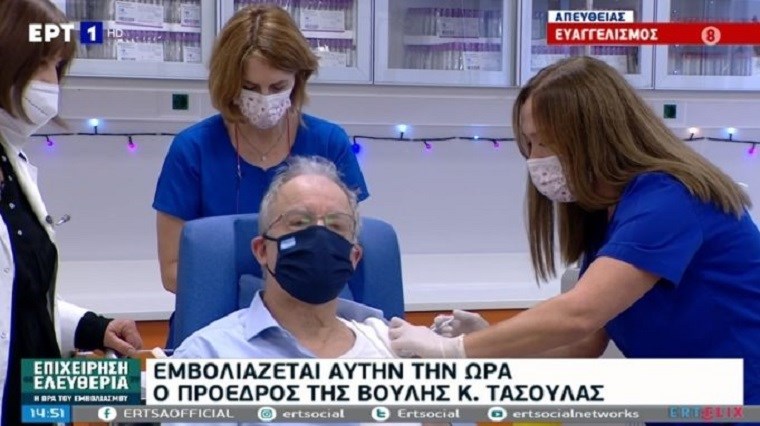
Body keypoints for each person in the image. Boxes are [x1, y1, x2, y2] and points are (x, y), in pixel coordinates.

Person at [388, 56, 760, 406]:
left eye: (544, 141)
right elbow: (582, 342)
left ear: (594, 136)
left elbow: (579, 314)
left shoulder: (669, 199)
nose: (534, 158)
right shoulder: (608, 213)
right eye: (529, 143)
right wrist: (488, 343)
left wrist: (455, 351)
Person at [167, 157, 438, 426]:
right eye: (299, 222)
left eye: (336, 226)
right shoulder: (206, 357)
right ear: (262, 250)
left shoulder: (392, 345)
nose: (319, 236)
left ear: (354, 257)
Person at [153, 4, 369, 295]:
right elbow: (172, 271)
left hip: (306, 309)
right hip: (219, 312)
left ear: (299, 78)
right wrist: (251, 297)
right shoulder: (193, 150)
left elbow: (348, 250)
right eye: (250, 87)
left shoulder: (329, 143)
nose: (265, 99)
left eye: (278, 86)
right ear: (229, 84)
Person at [0, 1, 144, 424]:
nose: (51, 82)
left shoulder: (13, 165)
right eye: (40, 64)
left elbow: (21, 300)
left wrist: (94, 328)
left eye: (58, 67)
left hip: (35, 398)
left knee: (158, 397)